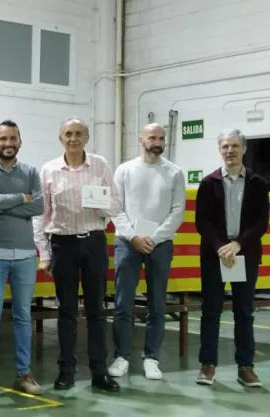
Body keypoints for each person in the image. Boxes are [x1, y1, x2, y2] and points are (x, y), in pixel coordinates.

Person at [32, 117, 121, 392]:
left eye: (78, 133)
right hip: (63, 245)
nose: (73, 138)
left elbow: (117, 205)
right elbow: (40, 216)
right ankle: (66, 372)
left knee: (96, 310)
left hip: (94, 242)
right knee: (66, 311)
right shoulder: (48, 170)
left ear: (87, 137)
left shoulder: (100, 165)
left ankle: (99, 372)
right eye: (68, 134)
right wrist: (44, 254)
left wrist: (99, 202)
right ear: (61, 138)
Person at [0, 120, 44, 396]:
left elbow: (39, 205)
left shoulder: (30, 172)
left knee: (23, 316)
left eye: (13, 138)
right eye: (3, 139)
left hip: (26, 255)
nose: (8, 143)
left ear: (20, 142)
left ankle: (24, 374)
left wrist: (3, 200)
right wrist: (21, 198)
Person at [109, 123, 185, 380]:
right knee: (123, 303)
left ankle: (151, 358)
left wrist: (152, 238)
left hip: (160, 245)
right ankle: (121, 357)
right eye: (152, 137)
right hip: (127, 243)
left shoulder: (174, 173)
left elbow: (177, 212)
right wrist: (133, 237)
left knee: (157, 304)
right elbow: (115, 208)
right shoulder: (124, 170)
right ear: (141, 139)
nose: (157, 141)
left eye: (161, 138)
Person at [194, 129, 269, 387]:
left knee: (244, 312)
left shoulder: (258, 183)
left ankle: (245, 367)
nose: (230, 151)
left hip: (244, 256)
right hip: (215, 257)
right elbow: (201, 221)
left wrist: (237, 244)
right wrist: (221, 247)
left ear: (244, 149)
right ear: (220, 150)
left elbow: (261, 222)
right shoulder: (208, 183)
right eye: (225, 146)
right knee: (210, 312)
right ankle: (207, 366)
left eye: (235, 146)